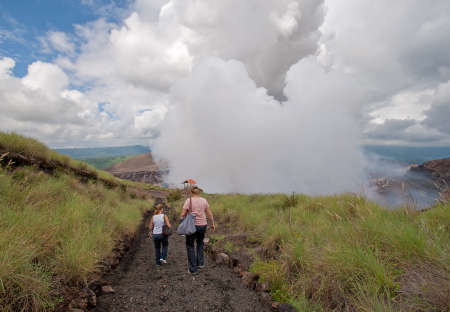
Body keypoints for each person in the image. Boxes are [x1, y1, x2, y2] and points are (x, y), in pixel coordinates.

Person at [180, 186, 215, 274]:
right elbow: (209, 213)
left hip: (192, 226)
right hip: (203, 225)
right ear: (198, 192)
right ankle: (200, 263)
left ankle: (193, 269)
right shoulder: (204, 200)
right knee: (200, 243)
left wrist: (182, 220)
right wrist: (212, 224)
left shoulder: (188, 201)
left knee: (190, 246)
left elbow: (183, 214)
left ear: (191, 193)